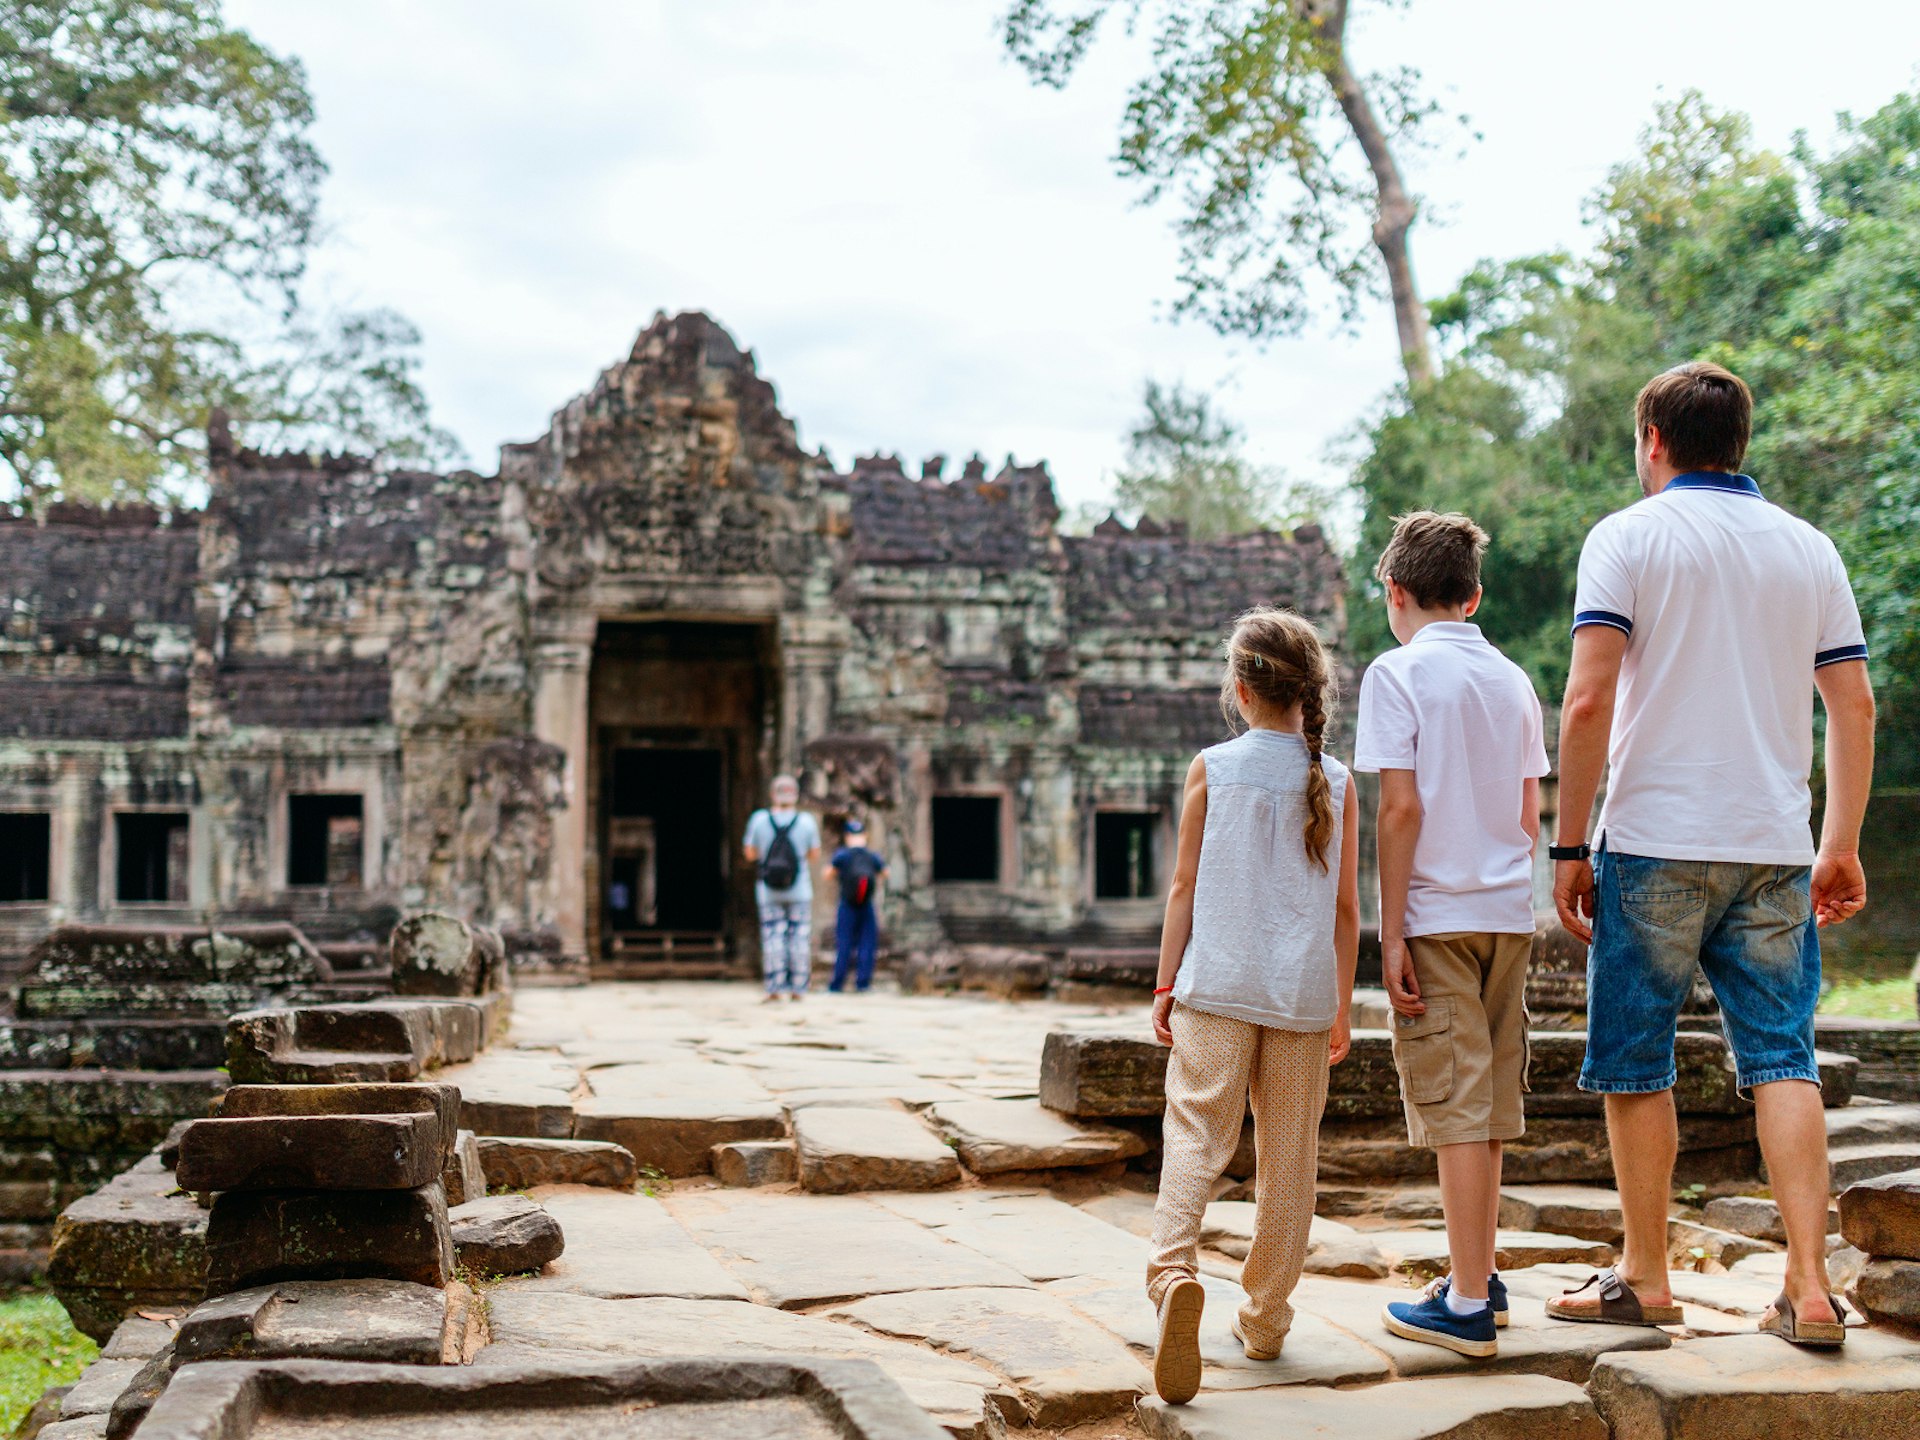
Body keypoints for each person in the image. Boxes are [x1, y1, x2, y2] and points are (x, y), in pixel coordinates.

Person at [1548, 361, 1875, 1348]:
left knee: (1637, 1062)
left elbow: (1588, 701)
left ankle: (1646, 1278)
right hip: (1774, 847)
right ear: (1738, 442)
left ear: (1653, 440)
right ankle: (1810, 1290)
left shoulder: (1628, 538)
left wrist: (1568, 845)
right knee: (1785, 1056)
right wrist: (1840, 845)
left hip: (1652, 838)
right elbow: (1852, 704)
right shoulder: (1808, 549)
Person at [1146, 607, 1361, 1406]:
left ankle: (1172, 1276)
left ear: (1240, 690)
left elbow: (1184, 887)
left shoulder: (1213, 765)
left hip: (1219, 985)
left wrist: (1166, 983)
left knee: (1196, 1135)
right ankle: (1266, 1320)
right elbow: (1347, 912)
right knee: (1289, 1157)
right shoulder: (1336, 781)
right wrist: (1341, 1005)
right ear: (1310, 692)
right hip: (1302, 996)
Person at [1354, 511, 1549, 1358]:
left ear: (1396, 592)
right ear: (1474, 596)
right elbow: (1527, 816)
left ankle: (1467, 1303)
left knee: (1457, 1107)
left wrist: (1390, 933)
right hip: (1508, 914)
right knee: (1490, 1100)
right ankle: (1483, 1275)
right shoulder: (1513, 680)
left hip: (1436, 914)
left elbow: (1400, 810)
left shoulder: (1395, 675)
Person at [742, 775, 822, 1002]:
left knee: (772, 938)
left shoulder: (759, 820)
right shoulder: (806, 821)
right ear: (795, 795)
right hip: (800, 888)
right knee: (799, 937)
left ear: (772, 794)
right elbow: (814, 855)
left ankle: (774, 988)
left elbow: (749, 853)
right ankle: (798, 988)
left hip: (768, 889)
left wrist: (769, 856)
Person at [828, 818, 888, 993]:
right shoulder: (872, 856)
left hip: (847, 903)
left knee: (844, 943)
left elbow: (828, 874)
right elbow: (885, 872)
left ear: (847, 836)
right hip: (866, 905)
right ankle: (863, 984)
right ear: (865, 835)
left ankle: (837, 984)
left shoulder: (842, 855)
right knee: (867, 944)